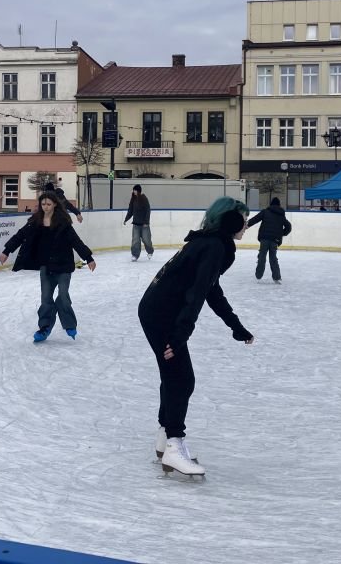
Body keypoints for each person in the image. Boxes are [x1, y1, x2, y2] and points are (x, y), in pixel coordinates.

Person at [138, 197, 255, 476]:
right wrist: (179, 335)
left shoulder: (209, 242)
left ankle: (165, 438)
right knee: (182, 378)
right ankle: (174, 447)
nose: (246, 225)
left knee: (173, 376)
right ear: (230, 220)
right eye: (243, 219)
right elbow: (198, 293)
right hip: (163, 314)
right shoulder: (215, 246)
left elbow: (210, 289)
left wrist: (235, 326)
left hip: (156, 310)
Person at [0, 191, 96, 342]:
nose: (45, 207)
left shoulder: (63, 223)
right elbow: (20, 235)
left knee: (63, 296)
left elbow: (76, 241)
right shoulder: (36, 221)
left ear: (55, 204)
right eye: (43, 204)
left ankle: (69, 324)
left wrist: (88, 258)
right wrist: (7, 250)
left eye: (48, 204)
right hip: (46, 266)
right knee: (46, 299)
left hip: (63, 265)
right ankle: (45, 327)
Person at [246, 196, 292, 283]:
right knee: (273, 258)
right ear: (279, 205)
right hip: (275, 239)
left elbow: (255, 219)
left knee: (262, 255)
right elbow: (288, 227)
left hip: (264, 238)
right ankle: (276, 277)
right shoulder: (281, 215)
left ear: (271, 204)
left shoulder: (265, 212)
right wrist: (282, 233)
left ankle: (259, 275)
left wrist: (246, 225)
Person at [123, 184, 154, 261]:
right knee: (135, 241)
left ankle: (150, 251)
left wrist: (146, 222)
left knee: (146, 240)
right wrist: (126, 219)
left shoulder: (144, 198)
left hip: (144, 225)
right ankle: (135, 255)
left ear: (139, 191)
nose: (134, 191)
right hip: (136, 224)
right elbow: (130, 211)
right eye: (133, 190)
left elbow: (148, 210)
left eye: (135, 190)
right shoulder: (133, 199)